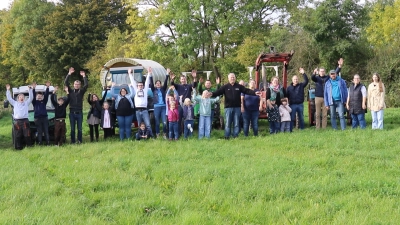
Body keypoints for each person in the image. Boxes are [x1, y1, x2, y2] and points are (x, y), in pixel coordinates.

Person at [210, 73, 261, 139]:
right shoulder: (225, 87)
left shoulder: (239, 86)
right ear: (228, 79)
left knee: (236, 123)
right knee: (228, 123)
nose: (232, 78)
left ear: (235, 78)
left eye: (233, 77)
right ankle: (227, 136)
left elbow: (246, 91)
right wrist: (212, 94)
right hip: (228, 108)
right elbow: (218, 92)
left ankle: (235, 136)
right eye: (231, 77)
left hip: (237, 108)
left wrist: (254, 93)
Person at [311, 58, 343, 129]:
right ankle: (318, 127)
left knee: (325, 114)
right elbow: (312, 77)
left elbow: (335, 72)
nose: (322, 72)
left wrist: (339, 66)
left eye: (323, 71)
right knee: (318, 114)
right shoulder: (317, 78)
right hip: (318, 97)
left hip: (326, 98)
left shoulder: (328, 78)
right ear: (319, 72)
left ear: (325, 72)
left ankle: (324, 127)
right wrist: (314, 72)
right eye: (321, 71)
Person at [64, 67, 88, 143]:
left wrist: (84, 76)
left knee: (80, 128)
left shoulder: (81, 92)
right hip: (72, 113)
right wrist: (69, 74)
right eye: (75, 84)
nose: (77, 85)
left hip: (79, 113)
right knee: (72, 129)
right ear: (73, 85)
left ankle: (80, 140)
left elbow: (86, 85)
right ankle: (73, 141)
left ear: (80, 85)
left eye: (78, 84)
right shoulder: (70, 91)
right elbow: (66, 83)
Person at [6, 83, 34, 150]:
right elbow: (9, 98)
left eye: (23, 97)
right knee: (18, 135)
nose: (21, 98)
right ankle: (19, 147)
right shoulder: (15, 103)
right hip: (17, 121)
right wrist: (8, 90)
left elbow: (31, 98)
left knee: (27, 134)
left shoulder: (26, 103)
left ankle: (29, 146)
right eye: (20, 97)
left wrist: (30, 90)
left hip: (25, 121)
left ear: (24, 98)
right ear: (18, 98)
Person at [170, 70, 197, 135]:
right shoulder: (178, 86)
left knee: (187, 120)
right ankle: (179, 133)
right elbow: (172, 84)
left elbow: (194, 84)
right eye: (182, 79)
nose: (183, 80)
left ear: (186, 80)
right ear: (180, 80)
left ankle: (188, 133)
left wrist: (194, 78)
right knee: (179, 120)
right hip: (180, 105)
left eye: (184, 79)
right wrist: (172, 79)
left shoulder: (189, 86)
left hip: (188, 106)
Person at [129, 67, 153, 138]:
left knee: (148, 124)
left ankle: (150, 136)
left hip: (144, 110)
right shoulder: (136, 90)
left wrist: (149, 73)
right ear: (137, 86)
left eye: (141, 85)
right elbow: (133, 82)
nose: (140, 86)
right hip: (137, 110)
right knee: (139, 124)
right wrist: (130, 74)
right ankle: (140, 137)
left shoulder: (145, 91)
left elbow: (147, 82)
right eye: (139, 85)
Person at [149, 68, 170, 138]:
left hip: (163, 107)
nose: (158, 84)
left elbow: (166, 82)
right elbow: (151, 83)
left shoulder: (163, 89)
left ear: (161, 84)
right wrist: (150, 74)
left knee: (164, 122)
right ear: (155, 85)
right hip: (156, 107)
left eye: (159, 83)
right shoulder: (153, 90)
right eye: (157, 83)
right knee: (157, 122)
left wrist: (167, 74)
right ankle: (157, 134)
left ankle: (164, 134)